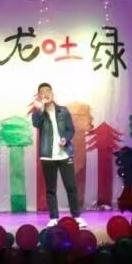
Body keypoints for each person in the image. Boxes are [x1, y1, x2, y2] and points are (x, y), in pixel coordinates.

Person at [28, 82, 80, 221]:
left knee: (71, 187)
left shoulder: (63, 110)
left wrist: (65, 138)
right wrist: (41, 108)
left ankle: (76, 217)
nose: (46, 93)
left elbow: (71, 129)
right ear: (39, 96)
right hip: (47, 156)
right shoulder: (38, 113)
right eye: (42, 92)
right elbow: (36, 124)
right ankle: (53, 218)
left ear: (52, 93)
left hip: (64, 154)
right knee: (51, 189)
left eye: (48, 91)